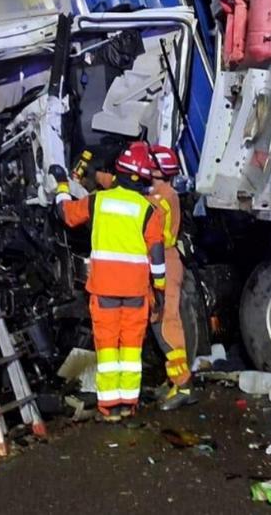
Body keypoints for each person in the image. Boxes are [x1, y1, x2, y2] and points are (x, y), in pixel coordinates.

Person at [51, 142, 165, 422]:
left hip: (104, 290)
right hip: (137, 291)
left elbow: (66, 215)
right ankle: (128, 405)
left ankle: (109, 408)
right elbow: (157, 256)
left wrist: (62, 186)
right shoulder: (149, 210)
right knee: (130, 350)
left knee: (108, 349)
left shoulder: (98, 200)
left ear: (118, 172)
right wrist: (159, 291)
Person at [147, 144, 197, 411]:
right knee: (159, 322)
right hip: (164, 260)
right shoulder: (165, 193)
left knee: (168, 323)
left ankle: (184, 383)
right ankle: (173, 380)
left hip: (163, 261)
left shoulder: (160, 197)